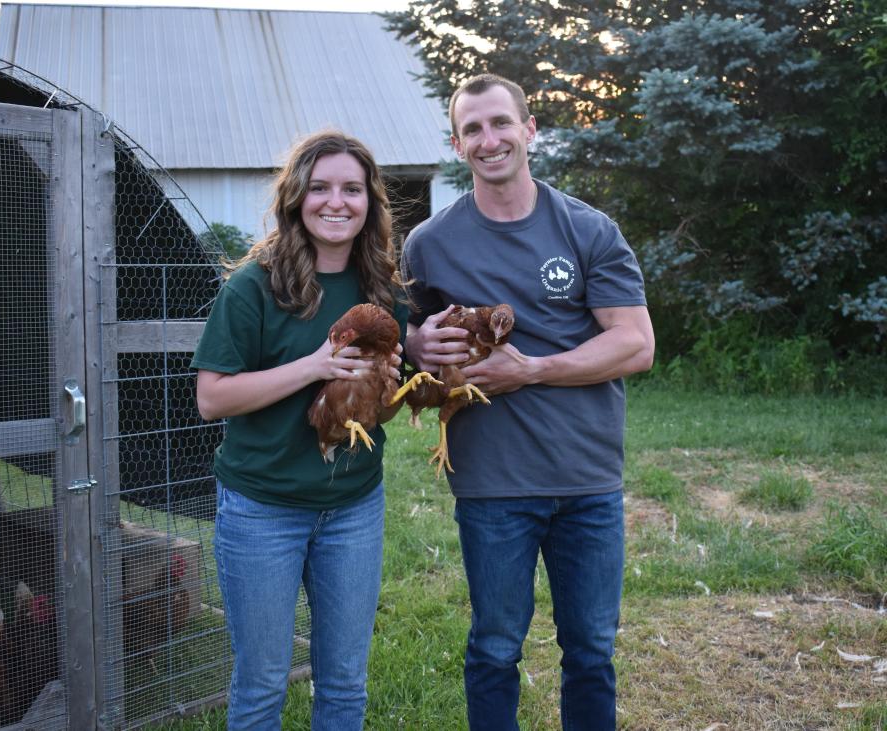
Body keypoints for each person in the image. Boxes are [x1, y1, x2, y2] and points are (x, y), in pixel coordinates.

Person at [402, 74, 655, 730]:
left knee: (592, 650)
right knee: (494, 648)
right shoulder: (429, 244)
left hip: (587, 480)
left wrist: (530, 369)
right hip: (492, 485)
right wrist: (417, 344)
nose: (490, 140)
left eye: (500, 123)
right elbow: (410, 341)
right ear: (457, 144)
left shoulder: (587, 229)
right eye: (473, 130)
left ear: (529, 129)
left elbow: (635, 344)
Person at [191, 130, 408, 731]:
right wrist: (314, 365)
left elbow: (375, 415)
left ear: (370, 202)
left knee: (344, 683)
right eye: (319, 188)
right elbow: (211, 399)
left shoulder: (384, 292)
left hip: (352, 506)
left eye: (351, 189)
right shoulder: (253, 286)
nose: (335, 202)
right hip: (264, 508)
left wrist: (384, 389)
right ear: (296, 198)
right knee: (262, 684)